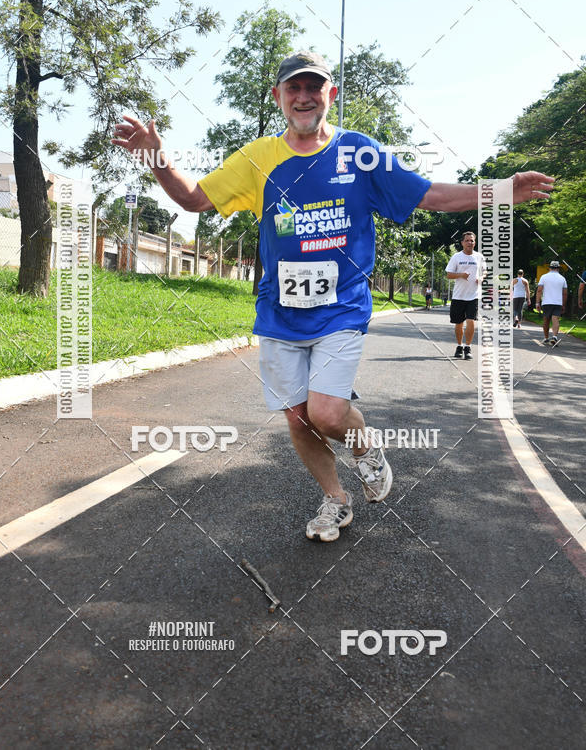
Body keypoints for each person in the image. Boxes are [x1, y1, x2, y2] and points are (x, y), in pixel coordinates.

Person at [112, 51, 554, 542]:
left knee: (325, 412)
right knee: (299, 417)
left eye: (313, 88)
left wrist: (500, 191)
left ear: (331, 95)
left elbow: (428, 195)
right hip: (279, 312)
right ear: (278, 97)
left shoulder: (360, 153)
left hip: (340, 308)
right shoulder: (258, 158)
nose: (303, 97)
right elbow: (194, 199)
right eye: (293, 88)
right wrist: (156, 155)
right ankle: (335, 500)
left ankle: (365, 448)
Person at [445, 232, 485, 360]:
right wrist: (461, 275)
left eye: (472, 241)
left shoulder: (479, 257)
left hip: (474, 295)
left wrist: (481, 278)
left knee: (471, 321)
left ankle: (468, 347)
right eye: (467, 240)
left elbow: (485, 271)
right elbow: (449, 275)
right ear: (462, 243)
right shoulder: (456, 257)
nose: (470, 243)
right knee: (459, 323)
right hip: (458, 296)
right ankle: (459, 345)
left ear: (475, 242)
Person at [535, 260, 567, 345]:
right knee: (555, 319)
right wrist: (563, 305)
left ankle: (546, 338)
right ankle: (555, 337)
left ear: (550, 268)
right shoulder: (562, 278)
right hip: (558, 302)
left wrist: (537, 303)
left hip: (546, 302)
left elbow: (539, 290)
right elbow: (564, 293)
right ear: (558, 268)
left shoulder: (544, 277)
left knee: (546, 320)